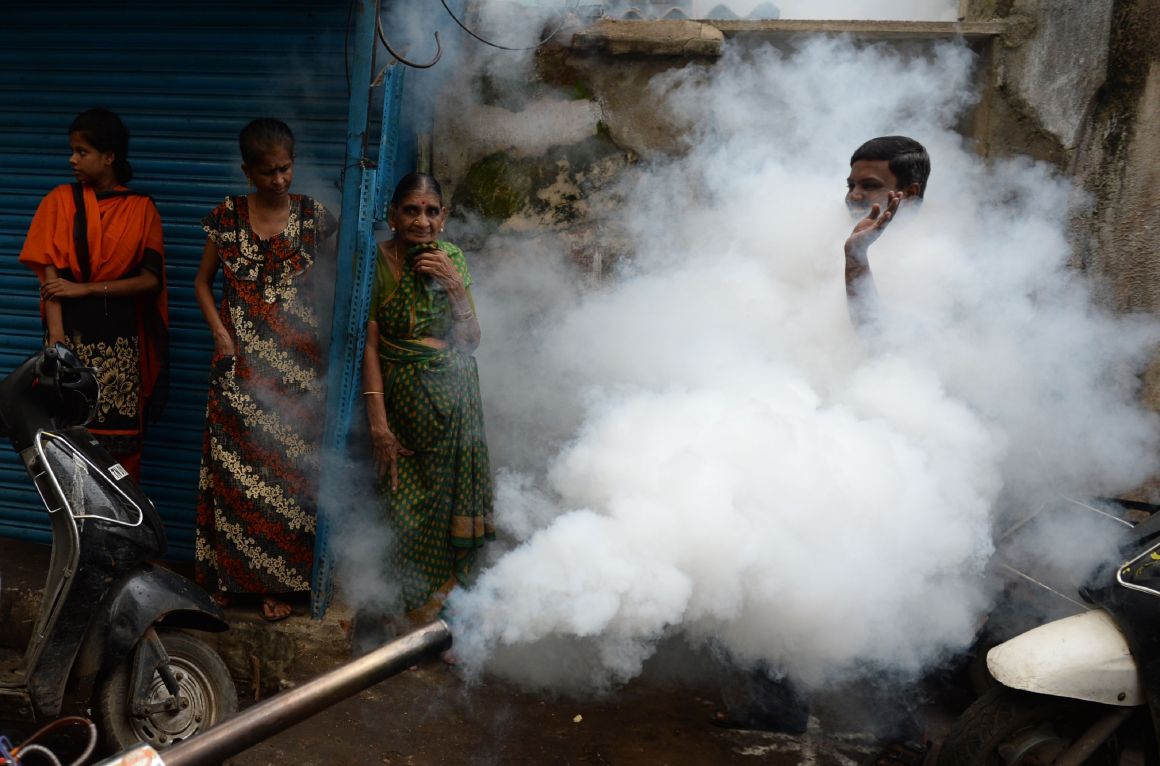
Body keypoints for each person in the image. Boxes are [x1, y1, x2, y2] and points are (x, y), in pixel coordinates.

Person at [193, 118, 337, 622]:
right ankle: (232, 581)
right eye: (268, 171)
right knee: (235, 477)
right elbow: (202, 283)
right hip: (239, 369)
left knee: (289, 477)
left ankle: (282, 587)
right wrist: (220, 332)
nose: (280, 179)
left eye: (286, 168)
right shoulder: (226, 217)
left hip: (299, 374)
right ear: (247, 170)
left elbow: (336, 288)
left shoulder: (315, 218)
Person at [362, 172, 494, 634]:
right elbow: (371, 347)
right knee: (401, 515)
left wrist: (455, 289)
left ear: (444, 218)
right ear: (392, 215)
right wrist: (379, 426)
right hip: (401, 409)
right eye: (411, 210)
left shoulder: (452, 259)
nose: (422, 220)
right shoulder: (374, 262)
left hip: (455, 412)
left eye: (431, 211)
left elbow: (471, 342)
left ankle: (442, 629)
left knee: (444, 517)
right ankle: (405, 623)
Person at [18, 108, 168, 481]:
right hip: (69, 340)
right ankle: (76, 529)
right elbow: (50, 279)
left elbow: (151, 281)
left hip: (119, 347)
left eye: (82, 151)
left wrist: (83, 288)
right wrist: (56, 342)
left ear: (109, 156)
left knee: (119, 448)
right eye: (72, 150)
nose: (73, 159)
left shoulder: (141, 208)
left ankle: (122, 530)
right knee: (64, 442)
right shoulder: (58, 201)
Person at [843, 135, 931, 327]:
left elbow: (880, 342)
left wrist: (855, 254)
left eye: (869, 185)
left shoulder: (932, 260)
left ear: (909, 193)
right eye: (850, 186)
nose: (853, 195)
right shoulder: (826, 240)